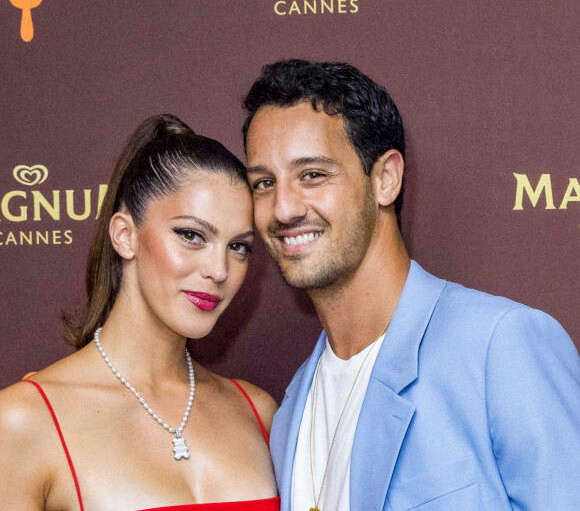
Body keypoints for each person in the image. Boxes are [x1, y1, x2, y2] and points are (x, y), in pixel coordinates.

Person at [241, 59, 580, 511]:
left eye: (313, 175)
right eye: (264, 183)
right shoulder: (288, 417)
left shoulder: (500, 348)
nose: (283, 209)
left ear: (386, 179)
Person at [0, 115, 280, 510]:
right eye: (191, 235)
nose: (219, 270)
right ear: (124, 235)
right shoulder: (23, 422)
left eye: (239, 247)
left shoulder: (258, 412)